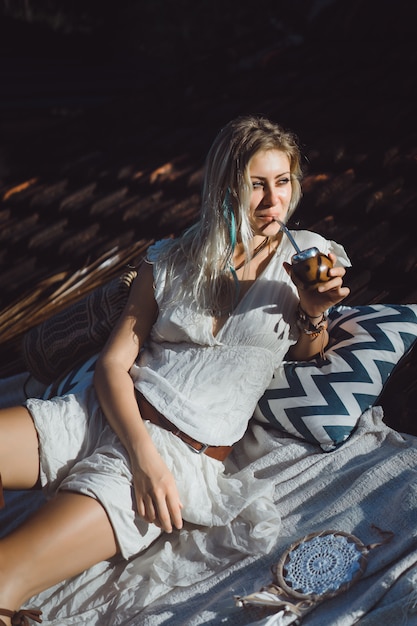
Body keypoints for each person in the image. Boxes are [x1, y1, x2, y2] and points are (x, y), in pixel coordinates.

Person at [0, 115, 351, 625]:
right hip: (98, 415)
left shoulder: (307, 257)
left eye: (283, 182)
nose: (274, 201)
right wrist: (140, 452)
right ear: (226, 186)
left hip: (180, 454)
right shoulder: (172, 258)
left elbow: (306, 349)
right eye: (257, 185)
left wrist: (315, 309)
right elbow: (113, 365)